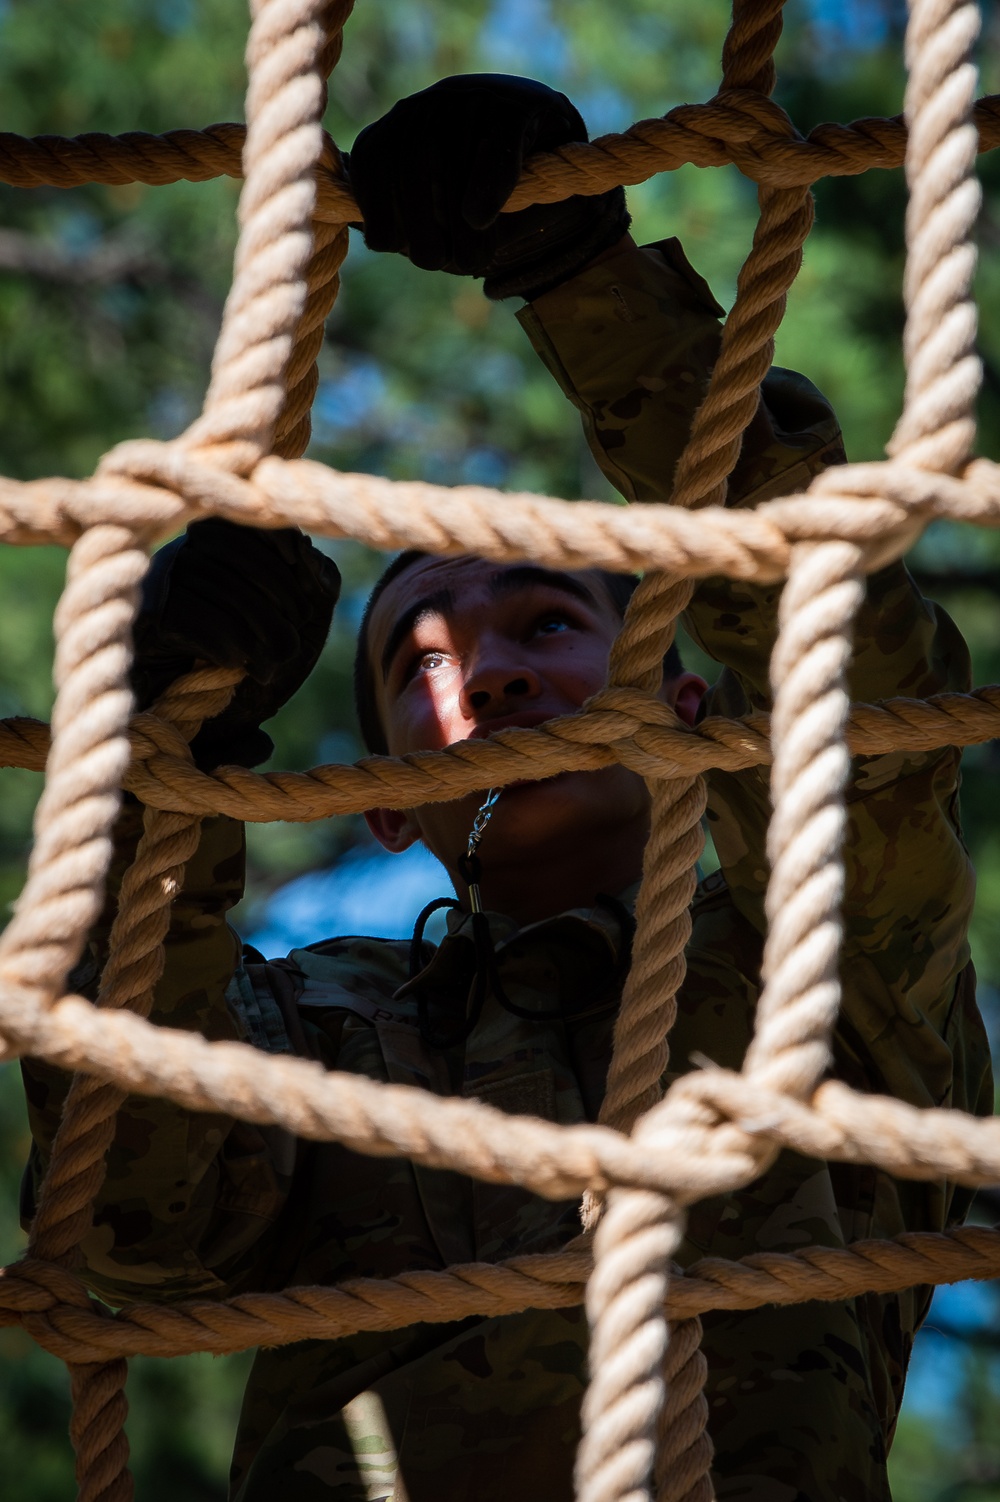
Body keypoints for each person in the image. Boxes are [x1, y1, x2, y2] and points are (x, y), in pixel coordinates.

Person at [20, 75, 991, 1502]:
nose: (494, 672)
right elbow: (139, 1218)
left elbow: (848, 668)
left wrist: (583, 276)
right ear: (387, 805)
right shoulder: (315, 1030)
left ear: (680, 699)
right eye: (421, 658)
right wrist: (169, 753)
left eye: (544, 622)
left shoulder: (824, 978)